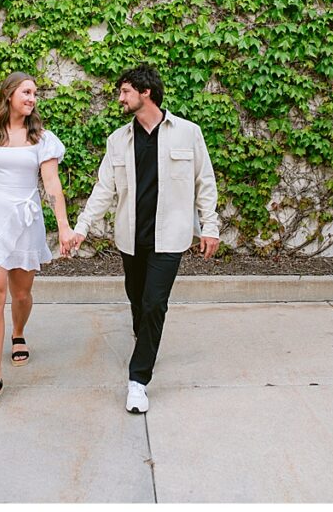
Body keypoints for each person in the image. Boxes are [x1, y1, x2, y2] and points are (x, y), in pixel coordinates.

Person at [69, 64, 220, 414]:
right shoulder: (118, 140)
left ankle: (138, 380)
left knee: (154, 304)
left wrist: (210, 226)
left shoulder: (188, 133)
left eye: (125, 91)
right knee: (138, 301)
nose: (120, 99)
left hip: (171, 238)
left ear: (145, 92)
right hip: (131, 239)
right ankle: (144, 338)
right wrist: (82, 227)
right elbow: (104, 189)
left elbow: (205, 182)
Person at [0, 72, 72, 409]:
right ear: (9, 94)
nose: (32, 98)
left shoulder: (42, 139)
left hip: (25, 219)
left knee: (21, 293)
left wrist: (63, 227)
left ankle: (18, 332)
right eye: (26, 92)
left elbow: (52, 184)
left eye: (35, 93)